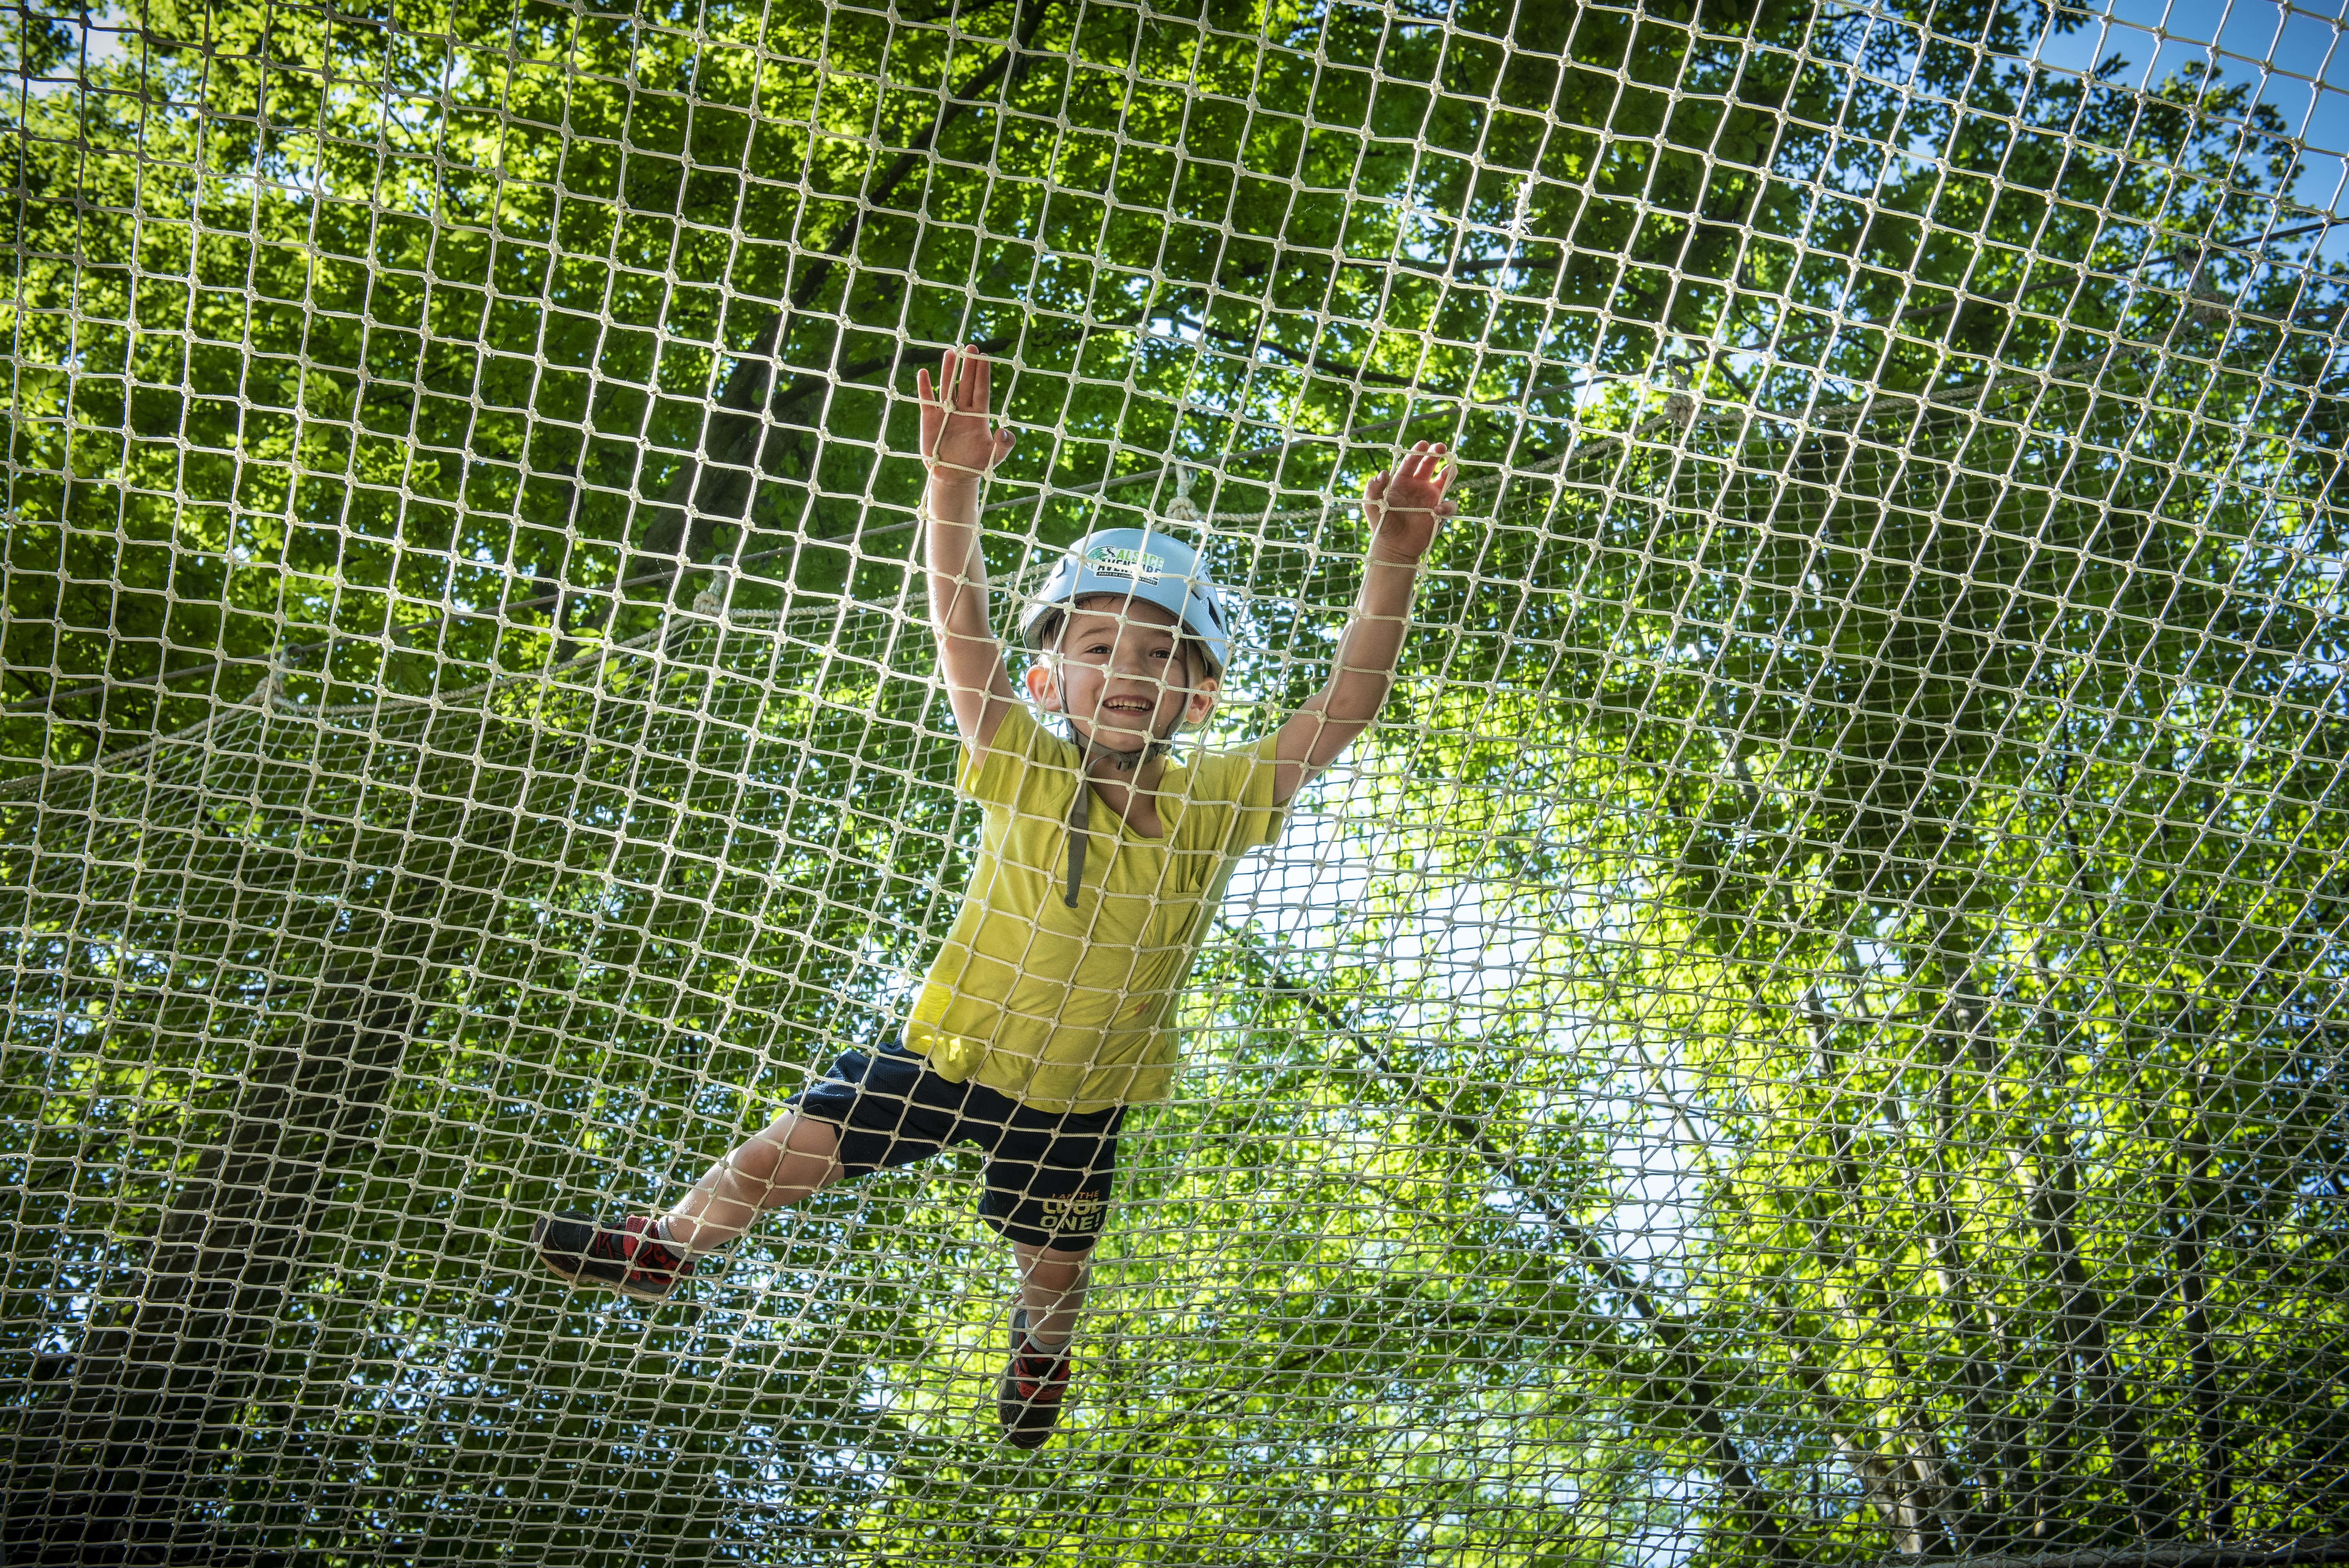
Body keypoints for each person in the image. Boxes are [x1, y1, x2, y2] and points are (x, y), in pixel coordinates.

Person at [534, 345, 1457, 1448]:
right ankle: (664, 1248)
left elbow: (1349, 700)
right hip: (953, 1058)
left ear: (1200, 699)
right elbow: (961, 628)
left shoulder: (1221, 798)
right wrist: (952, 486)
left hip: (1080, 1096)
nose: (1130, 669)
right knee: (778, 1156)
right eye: (1102, 645)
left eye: (1163, 657)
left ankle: (1042, 1349)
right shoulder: (1023, 760)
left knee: (1056, 1266)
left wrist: (1393, 560)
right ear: (1047, 680)